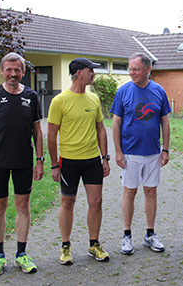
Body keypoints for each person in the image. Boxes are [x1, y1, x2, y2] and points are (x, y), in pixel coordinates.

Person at [0, 52, 44, 276]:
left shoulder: (32, 96)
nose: (13, 74)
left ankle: (21, 254)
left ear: (23, 72)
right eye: (9, 70)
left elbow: (37, 132)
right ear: (3, 71)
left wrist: (40, 161)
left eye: (17, 70)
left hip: (24, 161)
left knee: (23, 207)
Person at [48, 57, 110, 265]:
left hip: (92, 160)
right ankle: (65, 246)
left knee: (96, 202)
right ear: (78, 73)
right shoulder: (59, 101)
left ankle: (94, 244)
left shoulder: (94, 99)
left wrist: (105, 158)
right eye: (90, 70)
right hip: (69, 161)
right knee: (68, 202)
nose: (93, 73)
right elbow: (50, 135)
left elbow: (101, 129)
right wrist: (54, 165)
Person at [110, 53, 171, 255]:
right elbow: (116, 123)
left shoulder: (159, 90)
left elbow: (165, 121)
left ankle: (150, 235)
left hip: (153, 152)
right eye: (130, 69)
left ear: (147, 69)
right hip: (130, 153)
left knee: (151, 192)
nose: (132, 73)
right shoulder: (123, 91)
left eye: (136, 69)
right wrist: (118, 151)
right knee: (129, 192)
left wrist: (165, 149)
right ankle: (127, 236)